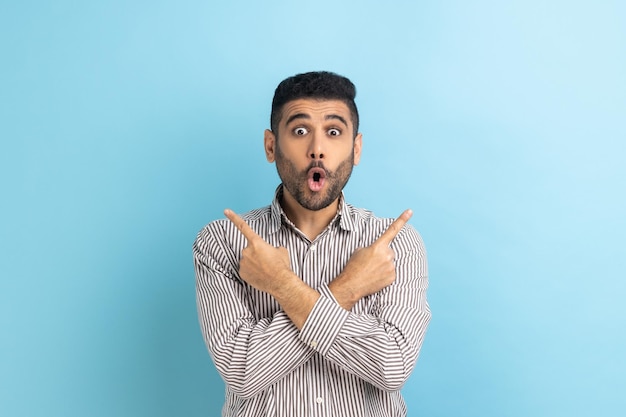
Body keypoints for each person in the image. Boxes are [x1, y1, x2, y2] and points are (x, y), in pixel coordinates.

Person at [193, 71, 431, 416]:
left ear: (356, 148)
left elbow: (391, 367)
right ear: (271, 146)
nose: (317, 149)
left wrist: (281, 286)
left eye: (334, 132)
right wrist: (348, 288)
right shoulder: (222, 242)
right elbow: (241, 370)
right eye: (300, 131)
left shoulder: (394, 246)